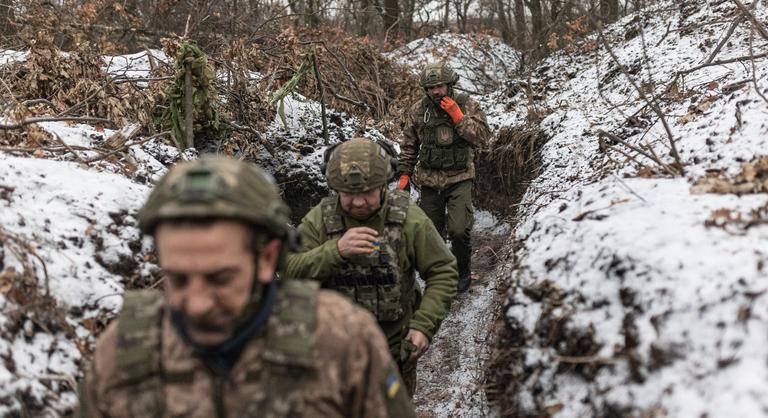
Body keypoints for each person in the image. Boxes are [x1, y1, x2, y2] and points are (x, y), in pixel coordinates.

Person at [77, 156, 415, 418]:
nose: (196, 303)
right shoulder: (123, 352)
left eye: (220, 278)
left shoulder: (341, 340)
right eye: (178, 279)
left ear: (267, 260)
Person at [286, 138, 458, 396]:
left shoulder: (410, 219)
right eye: (349, 194)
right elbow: (289, 269)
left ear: (383, 187)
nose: (358, 202)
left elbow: (443, 271)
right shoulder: (319, 221)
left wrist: (423, 325)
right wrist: (335, 251)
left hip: (392, 350)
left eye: (367, 192)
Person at [397, 62, 492, 293]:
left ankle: (463, 270)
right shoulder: (419, 110)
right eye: (430, 88)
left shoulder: (466, 104)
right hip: (429, 180)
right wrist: (404, 175)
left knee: (459, 230)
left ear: (449, 84)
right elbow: (409, 144)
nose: (435, 91)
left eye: (439, 86)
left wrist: (458, 117)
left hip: (460, 177)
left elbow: (482, 139)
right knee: (431, 233)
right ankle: (439, 275)